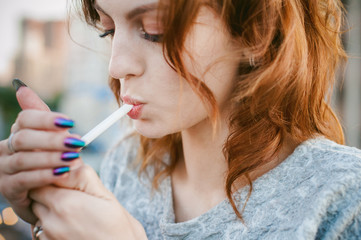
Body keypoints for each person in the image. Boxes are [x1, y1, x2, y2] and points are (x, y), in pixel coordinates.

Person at [0, 0, 361, 239]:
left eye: (154, 31)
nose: (117, 65)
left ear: (256, 32)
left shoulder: (344, 199)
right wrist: (40, 212)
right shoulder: (124, 168)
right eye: (108, 30)